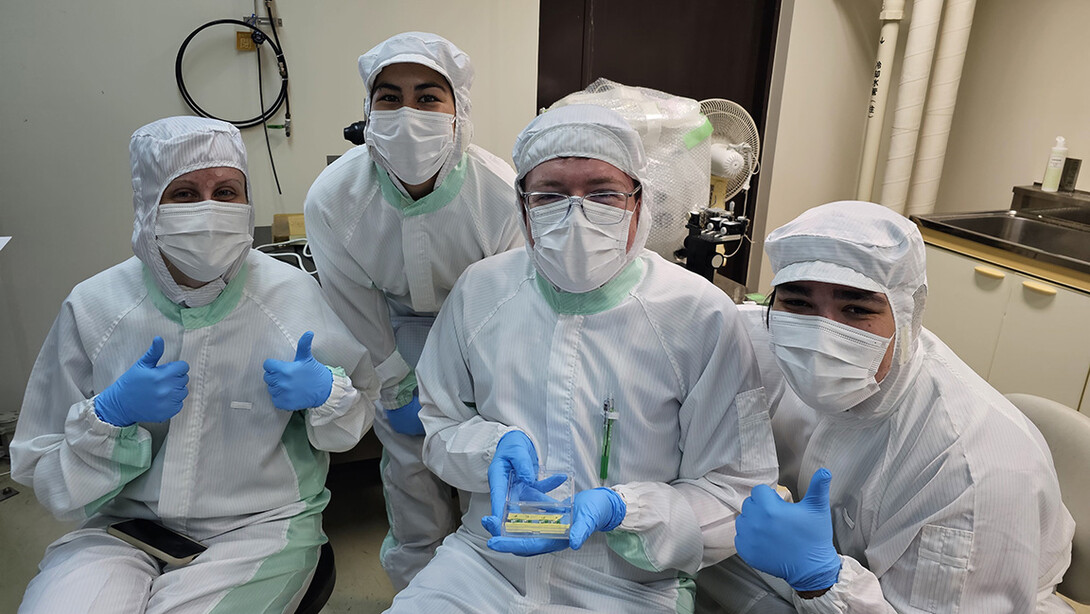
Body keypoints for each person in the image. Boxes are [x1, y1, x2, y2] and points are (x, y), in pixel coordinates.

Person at [380, 103, 779, 613]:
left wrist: (625, 510)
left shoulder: (698, 314)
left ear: (639, 200)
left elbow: (736, 490)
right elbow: (440, 426)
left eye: (602, 192)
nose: (576, 212)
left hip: (630, 580)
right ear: (521, 205)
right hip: (486, 562)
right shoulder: (480, 291)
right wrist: (490, 448)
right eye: (550, 195)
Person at [10, 116, 380, 614]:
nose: (209, 209)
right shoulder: (96, 306)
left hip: (260, 526)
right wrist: (108, 418)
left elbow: (352, 420)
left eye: (226, 191)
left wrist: (326, 396)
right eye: (184, 193)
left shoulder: (290, 295)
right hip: (121, 528)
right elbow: (47, 475)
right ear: (147, 204)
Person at [695, 201, 1075, 613]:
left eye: (856, 309)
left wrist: (820, 580)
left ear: (909, 315)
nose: (822, 336)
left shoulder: (966, 468)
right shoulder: (761, 343)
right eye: (799, 304)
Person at [303, 31, 524, 590]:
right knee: (410, 476)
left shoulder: (500, 192)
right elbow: (352, 303)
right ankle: (421, 589)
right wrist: (394, 384)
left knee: (487, 467)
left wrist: (479, 380)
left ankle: (498, 581)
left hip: (484, 336)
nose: (408, 114)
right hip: (390, 332)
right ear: (368, 110)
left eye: (428, 98)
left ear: (459, 111)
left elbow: (511, 298)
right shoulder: (334, 197)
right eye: (390, 97)